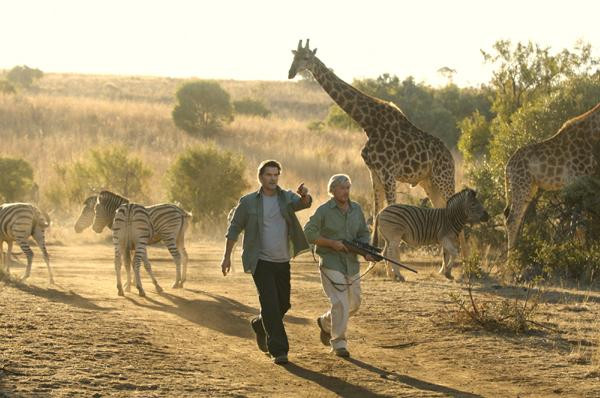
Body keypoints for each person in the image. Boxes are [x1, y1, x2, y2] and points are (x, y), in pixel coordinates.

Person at [220, 160, 312, 365]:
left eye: (276, 175)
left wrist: (304, 194)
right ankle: (279, 350)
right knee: (269, 303)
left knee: (283, 304)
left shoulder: (286, 197)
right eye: (269, 175)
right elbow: (234, 228)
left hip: (282, 260)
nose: (272, 178)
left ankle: (260, 325)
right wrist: (227, 256)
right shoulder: (248, 202)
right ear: (261, 177)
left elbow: (304, 203)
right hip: (260, 260)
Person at [303, 174, 375, 358]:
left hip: (351, 264)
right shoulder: (324, 211)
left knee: (354, 303)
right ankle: (339, 343)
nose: (345, 191)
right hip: (330, 262)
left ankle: (326, 323)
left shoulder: (356, 209)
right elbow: (309, 232)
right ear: (333, 190)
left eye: (348, 187)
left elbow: (363, 234)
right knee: (340, 302)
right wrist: (330, 243)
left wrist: (366, 251)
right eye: (342, 188)